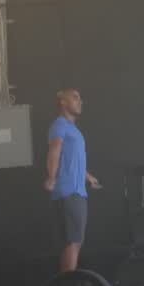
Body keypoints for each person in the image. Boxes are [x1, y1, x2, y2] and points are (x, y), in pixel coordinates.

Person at [45, 88, 101, 273]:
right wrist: (52, 178)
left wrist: (88, 177)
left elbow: (73, 159)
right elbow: (55, 152)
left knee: (75, 242)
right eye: (75, 98)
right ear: (63, 102)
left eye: (80, 98)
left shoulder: (73, 129)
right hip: (68, 191)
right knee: (73, 242)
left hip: (77, 190)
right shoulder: (59, 125)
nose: (80, 101)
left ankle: (66, 285)